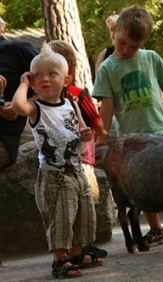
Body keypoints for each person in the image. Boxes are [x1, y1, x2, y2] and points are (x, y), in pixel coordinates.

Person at [92, 6, 163, 246]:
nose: (125, 50)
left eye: (132, 46)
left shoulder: (151, 57)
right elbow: (108, 105)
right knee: (143, 185)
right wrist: (101, 134)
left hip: (161, 131)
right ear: (115, 32)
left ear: (143, 42)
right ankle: (156, 230)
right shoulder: (107, 68)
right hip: (133, 141)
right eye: (121, 42)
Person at [12, 44, 102, 278]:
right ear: (32, 82)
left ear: (66, 79)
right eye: (38, 75)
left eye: (52, 74)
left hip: (76, 170)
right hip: (54, 175)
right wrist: (22, 84)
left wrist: (86, 134)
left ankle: (77, 251)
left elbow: (84, 129)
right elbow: (18, 106)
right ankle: (60, 258)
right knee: (60, 216)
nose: (45, 79)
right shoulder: (36, 108)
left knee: (83, 212)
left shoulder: (71, 104)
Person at [47, 39, 109, 258]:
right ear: (71, 67)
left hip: (59, 162)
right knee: (86, 203)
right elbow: (96, 121)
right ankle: (83, 246)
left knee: (68, 205)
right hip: (83, 159)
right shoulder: (77, 94)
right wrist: (102, 135)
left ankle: (76, 247)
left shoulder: (44, 100)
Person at [0, 17, 38, 171]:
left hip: (3, 141)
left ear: (2, 28)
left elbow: (58, 86)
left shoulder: (16, 49)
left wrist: (21, 106)